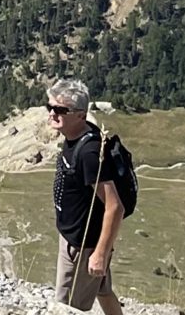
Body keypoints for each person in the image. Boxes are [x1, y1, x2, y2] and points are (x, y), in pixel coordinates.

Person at [49, 77, 127, 314]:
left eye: (60, 109)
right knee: (103, 290)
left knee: (67, 308)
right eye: (50, 107)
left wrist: (99, 253)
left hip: (83, 248)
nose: (52, 113)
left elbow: (115, 207)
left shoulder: (89, 154)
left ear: (80, 115)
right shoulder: (77, 135)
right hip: (80, 241)